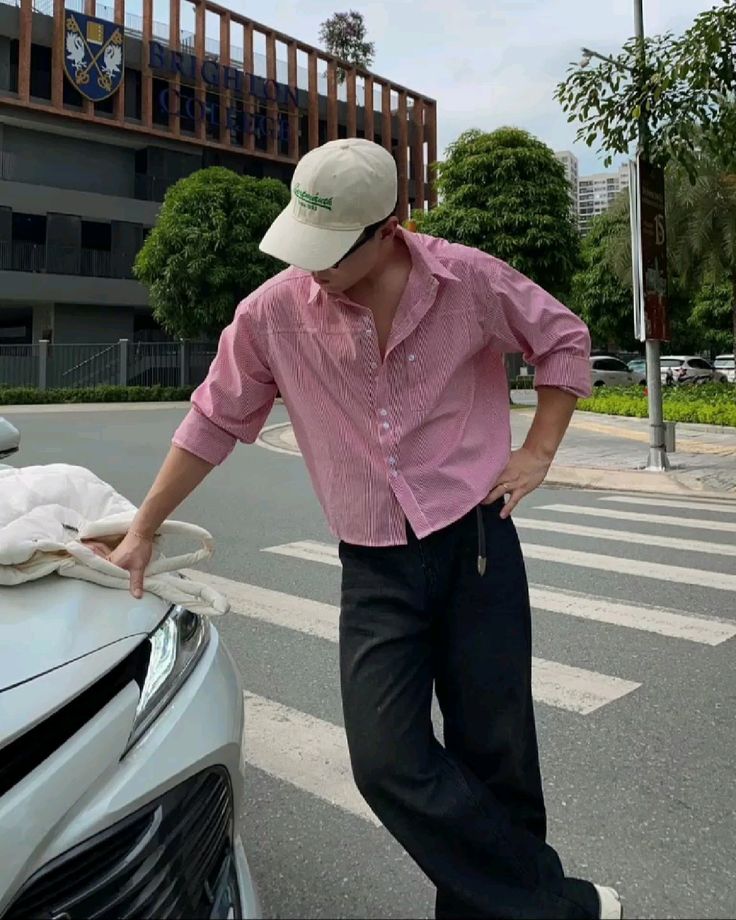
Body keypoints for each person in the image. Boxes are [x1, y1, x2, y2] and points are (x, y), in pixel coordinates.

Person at [108, 138, 623, 920]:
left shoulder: (470, 280)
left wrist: (538, 451)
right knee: (387, 762)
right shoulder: (274, 313)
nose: (313, 267)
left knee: (497, 754)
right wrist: (144, 525)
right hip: (375, 564)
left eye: (333, 251)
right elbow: (213, 418)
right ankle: (560, 906)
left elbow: (563, 341)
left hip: (475, 542)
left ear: (390, 228)